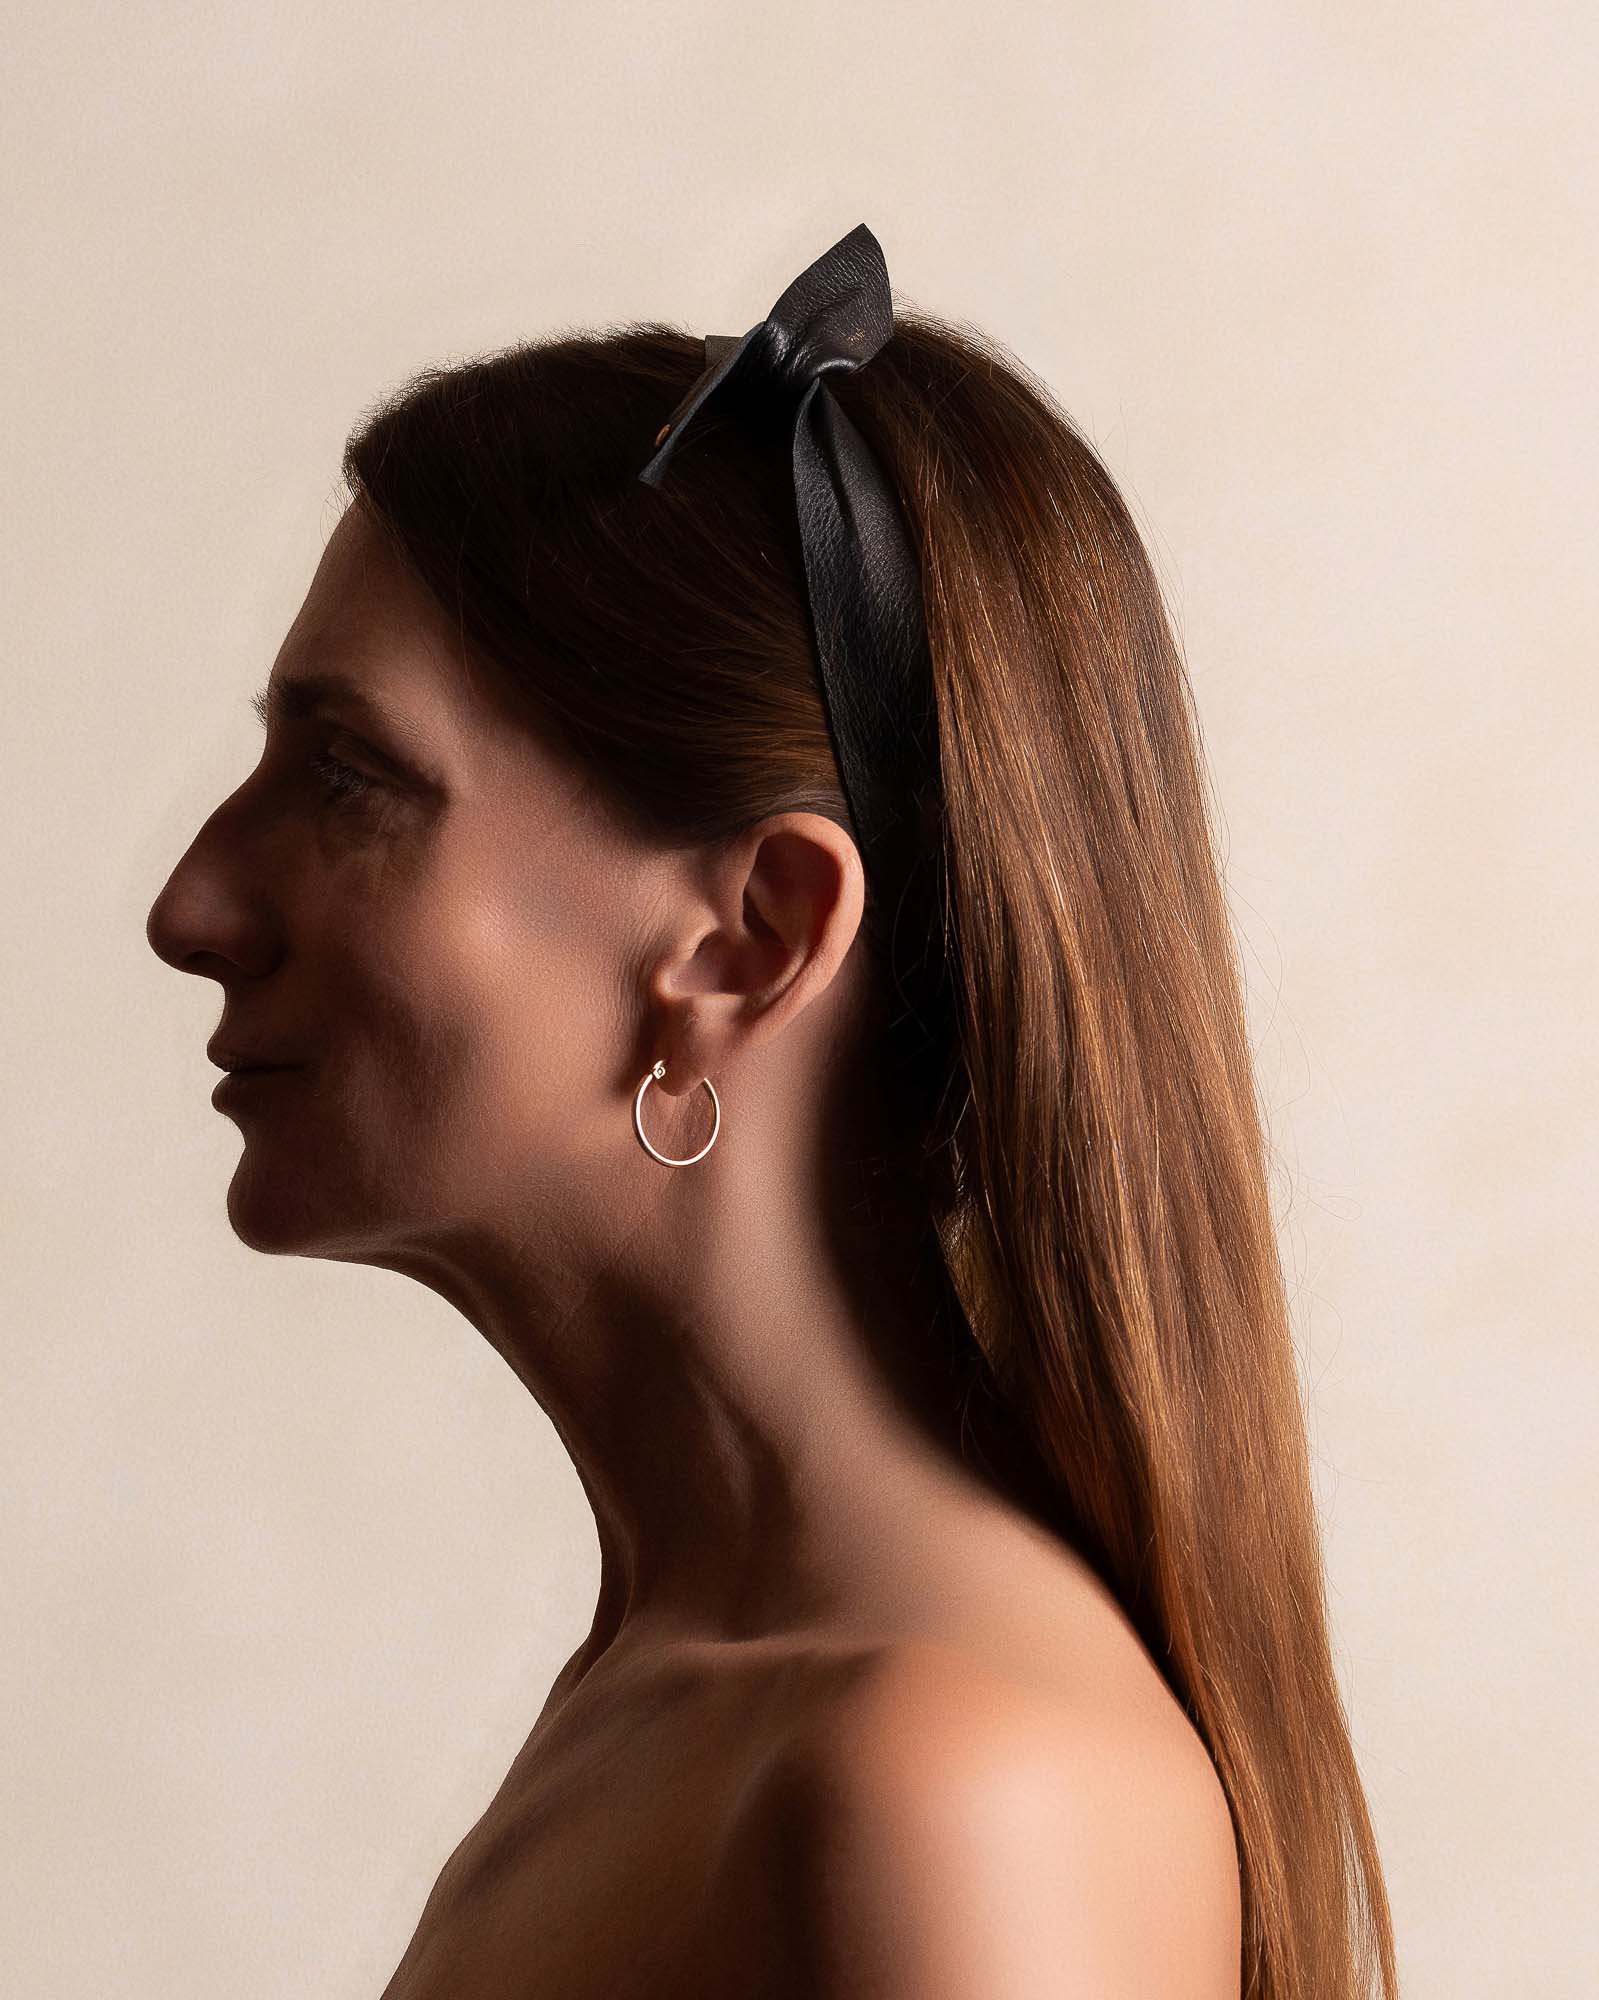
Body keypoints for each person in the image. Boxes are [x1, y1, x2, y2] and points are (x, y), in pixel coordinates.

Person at [145, 227, 1397, 1998]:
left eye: (351, 778)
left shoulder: (946, 1791)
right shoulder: (686, 1687)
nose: (190, 905)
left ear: (753, 938)